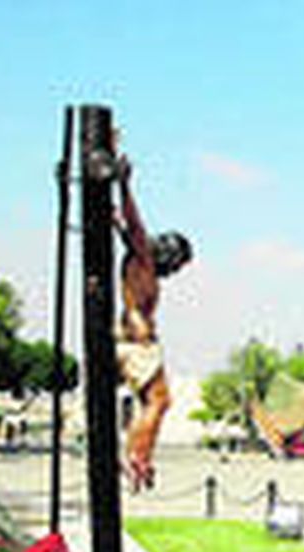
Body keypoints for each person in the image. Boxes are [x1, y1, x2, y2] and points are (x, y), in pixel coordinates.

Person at [113, 154, 193, 492]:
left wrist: (118, 213)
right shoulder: (143, 259)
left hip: (128, 339)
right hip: (136, 342)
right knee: (159, 401)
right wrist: (125, 185)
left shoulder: (137, 261)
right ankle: (135, 456)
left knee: (154, 402)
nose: (175, 271)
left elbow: (127, 228)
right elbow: (135, 224)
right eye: (176, 263)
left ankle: (136, 454)